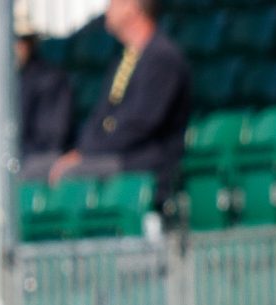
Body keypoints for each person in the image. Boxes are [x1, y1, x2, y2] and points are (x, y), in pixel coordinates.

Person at [21, 0, 192, 203]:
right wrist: (81, 151)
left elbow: (139, 125)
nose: (107, 10)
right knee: (34, 169)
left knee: (71, 174)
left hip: (141, 160)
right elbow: (102, 116)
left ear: (132, 7)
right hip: (112, 154)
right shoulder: (125, 59)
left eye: (114, 3)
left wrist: (87, 154)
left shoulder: (163, 58)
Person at [17, 9, 78, 160]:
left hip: (37, 161)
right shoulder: (11, 82)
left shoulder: (50, 80)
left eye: (19, 41)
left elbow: (52, 141)